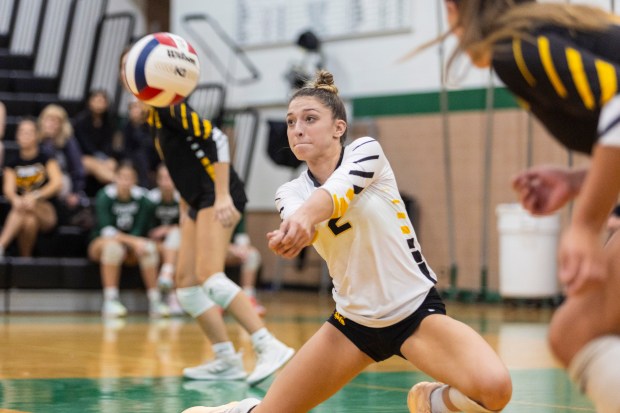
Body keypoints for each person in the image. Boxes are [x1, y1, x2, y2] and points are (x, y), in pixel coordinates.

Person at [183, 71, 512, 413]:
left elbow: (333, 195)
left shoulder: (367, 152)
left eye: (310, 119)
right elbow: (301, 221)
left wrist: (304, 220)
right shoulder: (289, 192)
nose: (297, 129)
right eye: (291, 121)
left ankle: (430, 402)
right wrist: (293, 235)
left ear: (338, 128)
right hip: (352, 326)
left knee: (495, 391)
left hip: (415, 313)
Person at [429, 2, 620, 412]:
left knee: (577, 333)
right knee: (575, 331)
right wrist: (577, 182)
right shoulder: (551, 33)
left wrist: (586, 223)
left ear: (453, 10)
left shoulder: (516, 48)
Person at [120, 49, 294, 385]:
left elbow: (216, 138)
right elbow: (183, 164)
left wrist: (224, 194)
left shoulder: (169, 107)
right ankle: (226, 359)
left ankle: (267, 344)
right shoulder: (156, 117)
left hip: (219, 194)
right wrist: (187, 207)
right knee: (186, 286)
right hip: (197, 201)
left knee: (210, 276)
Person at [88, 160, 169, 318]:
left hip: (132, 246)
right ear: (115, 178)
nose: (125, 182)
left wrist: (136, 242)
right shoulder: (105, 196)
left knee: (149, 249)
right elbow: (107, 230)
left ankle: (155, 301)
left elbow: (140, 229)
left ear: (135, 180)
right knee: (113, 248)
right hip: (101, 243)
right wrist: (133, 241)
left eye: (129, 178)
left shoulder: (143, 199)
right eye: (122, 177)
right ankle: (110, 301)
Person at [0, 118, 63, 257]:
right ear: (16, 136)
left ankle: (1, 245)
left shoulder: (46, 158)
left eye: (29, 132)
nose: (24, 135)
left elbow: (57, 182)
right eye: (21, 132)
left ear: (36, 135)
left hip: (46, 209)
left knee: (27, 206)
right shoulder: (11, 162)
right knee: (29, 221)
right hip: (23, 208)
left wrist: (36, 196)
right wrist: (15, 199)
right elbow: (8, 189)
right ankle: (25, 260)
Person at [38, 104, 89, 225]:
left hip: (61, 181)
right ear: (42, 121)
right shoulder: (35, 139)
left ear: (62, 125)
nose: (52, 124)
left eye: (56, 121)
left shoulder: (68, 142)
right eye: (49, 120)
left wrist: (76, 191)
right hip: (38, 179)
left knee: (61, 181)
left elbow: (77, 168)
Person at [146, 163, 183, 314]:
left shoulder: (182, 199)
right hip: (154, 243)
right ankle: (162, 297)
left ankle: (172, 292)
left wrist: (167, 229)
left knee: (176, 239)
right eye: (162, 178)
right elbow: (146, 230)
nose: (166, 182)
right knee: (170, 249)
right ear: (158, 180)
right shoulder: (150, 199)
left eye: (169, 177)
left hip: (175, 243)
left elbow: (187, 227)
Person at [73, 90, 119, 187]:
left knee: (112, 164)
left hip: (103, 156)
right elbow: (83, 144)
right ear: (90, 102)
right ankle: (120, 183)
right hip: (84, 156)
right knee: (96, 166)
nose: (100, 104)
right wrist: (98, 157)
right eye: (97, 101)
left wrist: (107, 157)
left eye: (103, 102)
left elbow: (109, 143)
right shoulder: (81, 120)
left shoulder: (109, 122)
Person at [226, 214, 266, 317]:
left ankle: (248, 298)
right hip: (210, 250)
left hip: (230, 252)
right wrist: (229, 247)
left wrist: (242, 249)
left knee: (252, 255)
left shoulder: (238, 206)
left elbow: (242, 236)